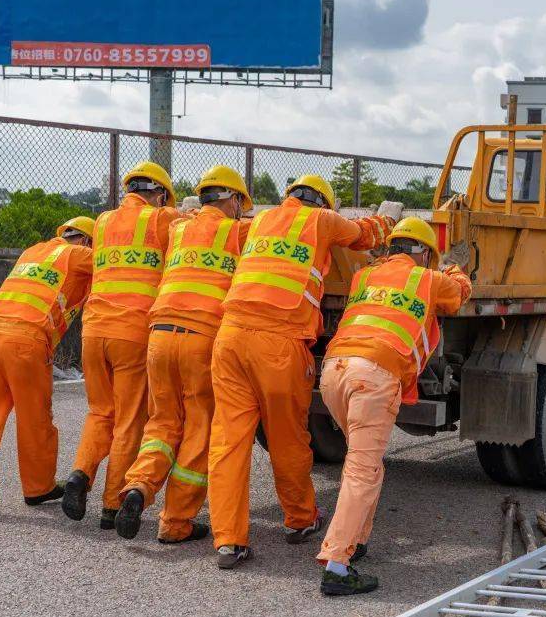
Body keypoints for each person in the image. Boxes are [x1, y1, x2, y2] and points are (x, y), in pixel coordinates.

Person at [208, 174, 403, 569]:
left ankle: (228, 540)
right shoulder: (321, 221)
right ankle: (299, 520)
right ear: (323, 202)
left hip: (228, 339)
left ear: (288, 196)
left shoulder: (258, 222)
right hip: (278, 344)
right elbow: (363, 236)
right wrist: (386, 220)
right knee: (287, 438)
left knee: (227, 441)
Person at [314, 217, 471, 595]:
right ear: (422, 253)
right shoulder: (427, 279)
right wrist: (454, 268)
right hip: (374, 376)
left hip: (334, 372)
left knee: (364, 465)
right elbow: (459, 295)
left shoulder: (363, 277)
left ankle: (356, 541)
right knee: (362, 471)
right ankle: (337, 566)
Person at [114, 165, 252, 544]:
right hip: (201, 337)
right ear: (235, 201)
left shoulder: (179, 229)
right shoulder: (237, 231)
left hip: (158, 336)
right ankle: (175, 522)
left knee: (161, 423)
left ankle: (139, 487)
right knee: (198, 429)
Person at [62, 161, 181, 530]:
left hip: (94, 331)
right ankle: (112, 503)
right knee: (130, 419)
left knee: (100, 413)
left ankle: (80, 473)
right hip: (132, 333)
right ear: (159, 194)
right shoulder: (162, 220)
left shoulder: (102, 222)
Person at [0, 216, 96, 516]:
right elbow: (114, 265)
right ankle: (38, 487)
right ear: (86, 241)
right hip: (25, 339)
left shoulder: (32, 252)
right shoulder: (77, 253)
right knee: (35, 419)